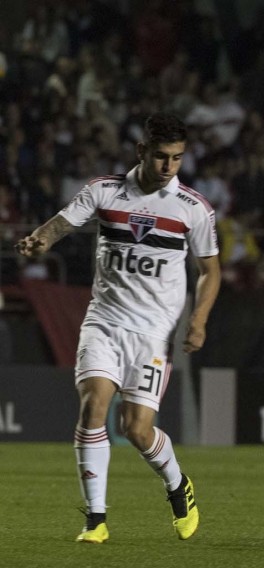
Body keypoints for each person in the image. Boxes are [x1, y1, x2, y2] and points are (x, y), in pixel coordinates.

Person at [16, 112, 221, 544]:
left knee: (136, 429)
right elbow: (63, 222)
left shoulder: (193, 208)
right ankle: (96, 520)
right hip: (104, 322)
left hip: (151, 335)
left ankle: (177, 486)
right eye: (162, 157)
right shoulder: (105, 191)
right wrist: (41, 239)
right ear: (141, 151)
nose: (169, 167)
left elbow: (210, 270)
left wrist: (199, 321)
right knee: (93, 408)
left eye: (177, 159)